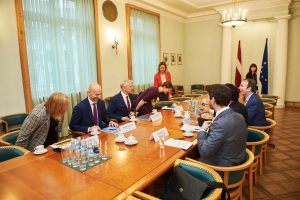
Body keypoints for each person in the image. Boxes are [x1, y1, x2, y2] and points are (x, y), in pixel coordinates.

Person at [197, 84, 247, 167]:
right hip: (236, 158)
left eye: (208, 97)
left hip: (221, 167)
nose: (207, 100)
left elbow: (204, 152)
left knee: (179, 164)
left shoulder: (220, 124)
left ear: (212, 100)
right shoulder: (239, 116)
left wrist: (202, 130)